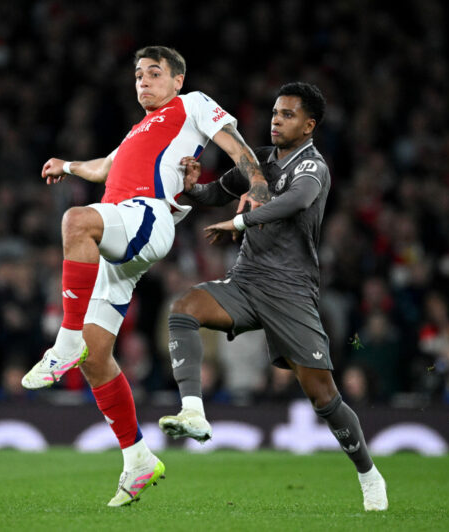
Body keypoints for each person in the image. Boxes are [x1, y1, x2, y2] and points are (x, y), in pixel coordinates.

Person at [20, 45, 269, 507]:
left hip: (147, 216)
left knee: (76, 221)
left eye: (154, 73)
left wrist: (256, 184)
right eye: (137, 75)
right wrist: (68, 165)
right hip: (121, 233)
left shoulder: (190, 104)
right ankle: (137, 459)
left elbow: (236, 144)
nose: (143, 81)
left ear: (177, 80)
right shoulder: (137, 131)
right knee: (97, 360)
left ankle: (65, 338)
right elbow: (104, 168)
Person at [158, 82, 389, 511]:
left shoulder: (313, 168)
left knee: (323, 397)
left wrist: (239, 224)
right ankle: (193, 410)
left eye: (287, 114)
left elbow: (295, 203)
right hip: (247, 281)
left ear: (309, 124)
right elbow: (214, 194)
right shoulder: (259, 159)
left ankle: (369, 474)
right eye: (275, 113)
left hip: (291, 292)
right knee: (183, 309)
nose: (276, 120)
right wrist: (192, 186)